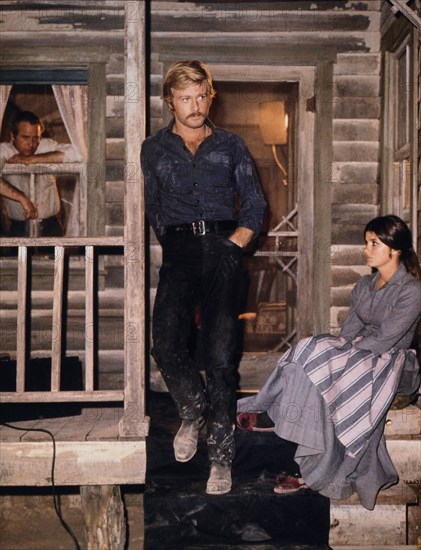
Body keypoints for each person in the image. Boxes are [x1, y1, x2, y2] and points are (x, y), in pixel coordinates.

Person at [141, 60, 266, 495]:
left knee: (219, 357)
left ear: (210, 96)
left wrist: (234, 244)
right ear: (169, 101)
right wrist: (173, 243)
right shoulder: (153, 149)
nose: (194, 107)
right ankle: (192, 409)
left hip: (223, 250)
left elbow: (253, 202)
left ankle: (221, 459)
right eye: (184, 98)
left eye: (201, 96)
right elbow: (153, 206)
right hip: (179, 252)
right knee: (165, 344)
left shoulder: (231, 145)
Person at [237, 215, 421, 510]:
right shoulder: (364, 285)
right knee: (311, 347)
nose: (366, 249)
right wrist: (336, 349)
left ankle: (317, 469)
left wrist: (343, 354)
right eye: (365, 243)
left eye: (374, 243)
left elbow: (387, 340)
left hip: (396, 362)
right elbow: (349, 331)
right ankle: (273, 408)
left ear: (395, 249)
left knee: (337, 367)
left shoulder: (411, 290)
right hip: (362, 353)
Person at [0, 111, 83, 237]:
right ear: (13, 136)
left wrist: (34, 159)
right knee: (18, 257)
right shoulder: (4, 150)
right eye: (25, 137)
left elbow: (79, 153)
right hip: (18, 227)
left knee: (56, 257)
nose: (31, 144)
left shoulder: (45, 146)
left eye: (35, 137)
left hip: (51, 224)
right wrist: (22, 198)